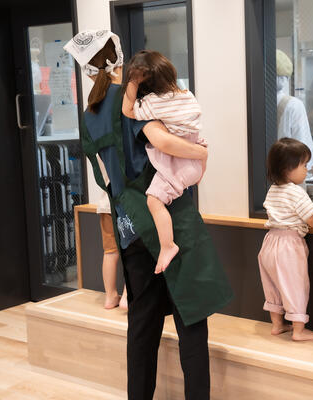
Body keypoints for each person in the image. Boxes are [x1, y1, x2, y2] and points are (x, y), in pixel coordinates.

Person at [64, 30, 232, 400]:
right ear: (119, 59)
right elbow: (161, 141)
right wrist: (201, 153)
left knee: (142, 323)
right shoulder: (132, 97)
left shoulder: (89, 114)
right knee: (192, 318)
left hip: (128, 225)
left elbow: (104, 176)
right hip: (168, 217)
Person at [121, 50, 206, 273]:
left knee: (153, 200)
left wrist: (132, 82)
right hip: (195, 158)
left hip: (179, 163)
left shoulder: (152, 104)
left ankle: (167, 246)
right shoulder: (187, 95)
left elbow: (127, 109)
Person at [258, 138, 313, 341]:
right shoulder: (297, 192)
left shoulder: (273, 190)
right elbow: (310, 218)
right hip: (289, 244)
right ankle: (298, 330)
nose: (306, 170)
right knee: (295, 285)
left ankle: (277, 325)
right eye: (304, 165)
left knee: (273, 285)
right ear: (288, 168)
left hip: (269, 242)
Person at [275, 49, 313, 183]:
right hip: (286, 179)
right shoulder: (293, 105)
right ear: (286, 78)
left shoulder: (247, 104)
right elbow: (302, 146)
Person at [97, 174, 128, 310]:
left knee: (110, 252)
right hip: (126, 203)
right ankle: (127, 298)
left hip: (106, 204)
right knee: (132, 250)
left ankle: (110, 296)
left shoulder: (97, 151)